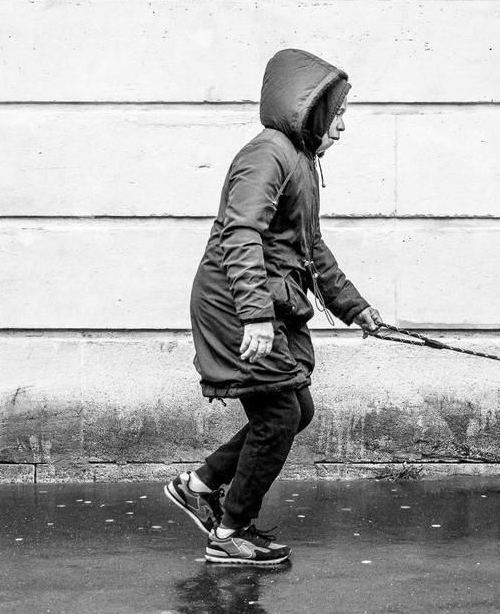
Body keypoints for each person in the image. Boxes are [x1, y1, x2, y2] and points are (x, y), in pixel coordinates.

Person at [164, 48, 382, 567]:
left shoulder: (299, 159)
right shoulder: (267, 154)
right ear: (310, 110)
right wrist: (257, 316)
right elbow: (241, 234)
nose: (343, 128)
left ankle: (199, 485)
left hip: (258, 298)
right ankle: (231, 529)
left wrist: (355, 308)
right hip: (235, 302)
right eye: (339, 115)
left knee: (294, 409)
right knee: (281, 412)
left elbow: (311, 248)